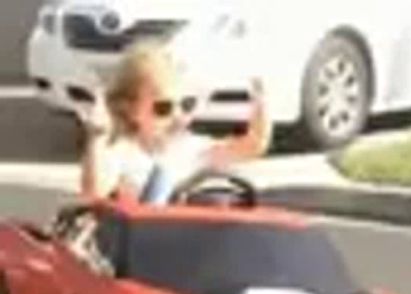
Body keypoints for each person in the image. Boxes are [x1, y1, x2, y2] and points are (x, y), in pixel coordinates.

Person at [76, 39, 272, 202]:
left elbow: (253, 145)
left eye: (185, 105)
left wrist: (261, 100)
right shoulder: (121, 149)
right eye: (164, 108)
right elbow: (93, 193)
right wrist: (97, 136)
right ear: (131, 109)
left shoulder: (189, 147)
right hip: (140, 241)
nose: (177, 116)